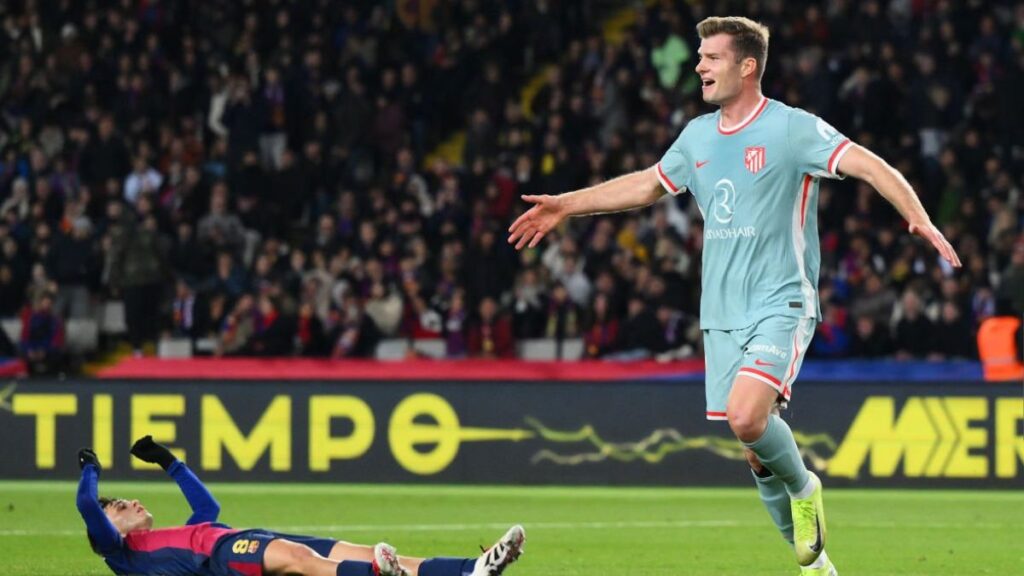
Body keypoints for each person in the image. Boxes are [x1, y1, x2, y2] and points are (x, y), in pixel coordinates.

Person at [507, 16, 961, 576]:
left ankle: (806, 487)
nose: (699, 65)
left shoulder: (791, 129)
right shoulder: (697, 136)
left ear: (747, 67)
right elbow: (647, 184)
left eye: (711, 57)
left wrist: (917, 217)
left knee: (747, 418)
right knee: (754, 449)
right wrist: (566, 205)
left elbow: (869, 164)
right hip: (720, 314)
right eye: (700, 56)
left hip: (780, 301)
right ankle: (817, 568)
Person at [76, 436, 524, 576]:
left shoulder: (177, 536)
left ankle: (471, 569)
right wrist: (91, 470)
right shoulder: (120, 553)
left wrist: (169, 462)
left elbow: (208, 508)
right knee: (301, 558)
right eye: (120, 506)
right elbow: (88, 507)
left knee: (356, 551)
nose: (132, 502)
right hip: (224, 559)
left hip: (240, 540)